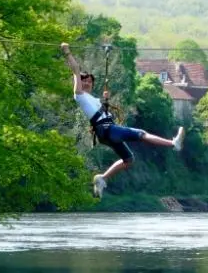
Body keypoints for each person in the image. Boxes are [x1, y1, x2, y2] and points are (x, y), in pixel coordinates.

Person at [60, 42, 185, 197]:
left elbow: (101, 114)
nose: (86, 82)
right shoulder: (79, 95)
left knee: (129, 160)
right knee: (141, 134)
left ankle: (102, 178)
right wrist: (67, 52)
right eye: (83, 80)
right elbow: (75, 70)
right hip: (107, 130)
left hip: (105, 133)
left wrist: (105, 102)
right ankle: (173, 144)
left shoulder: (93, 100)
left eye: (90, 81)